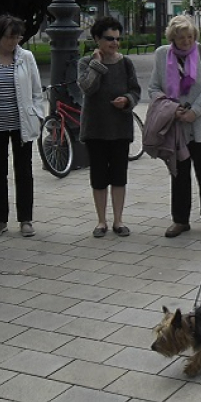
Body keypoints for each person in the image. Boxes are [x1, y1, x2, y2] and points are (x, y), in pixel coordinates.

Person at [149, 16, 201, 239]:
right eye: (181, 38)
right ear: (173, 38)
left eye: (190, 37)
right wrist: (172, 109)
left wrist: (195, 111)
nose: (187, 42)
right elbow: (153, 88)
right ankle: (180, 220)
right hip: (176, 126)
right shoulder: (162, 54)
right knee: (179, 174)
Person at [0, 15, 44, 239]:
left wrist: (37, 114)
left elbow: (36, 91)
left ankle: (26, 219)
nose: (14, 42)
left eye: (17, 37)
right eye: (9, 37)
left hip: (21, 123)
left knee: (24, 171)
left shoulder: (26, 57)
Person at [77, 16, 141, 238]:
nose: (114, 43)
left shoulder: (126, 63)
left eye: (117, 38)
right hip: (95, 129)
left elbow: (135, 91)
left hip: (120, 128)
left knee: (119, 175)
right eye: (109, 38)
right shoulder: (86, 63)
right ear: (97, 39)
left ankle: (118, 220)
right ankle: (101, 221)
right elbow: (87, 88)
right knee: (99, 176)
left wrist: (126, 100)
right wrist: (97, 64)